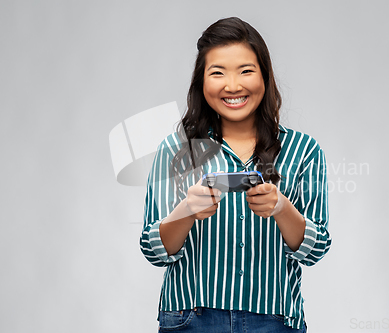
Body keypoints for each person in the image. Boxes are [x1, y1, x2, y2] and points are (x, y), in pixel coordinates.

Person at [140, 17, 331, 332]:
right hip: (191, 318)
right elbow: (154, 250)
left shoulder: (304, 150)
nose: (233, 85)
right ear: (202, 82)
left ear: (265, 77)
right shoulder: (177, 150)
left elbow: (316, 248)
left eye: (246, 71)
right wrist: (187, 210)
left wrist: (281, 208)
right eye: (218, 73)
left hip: (274, 321)